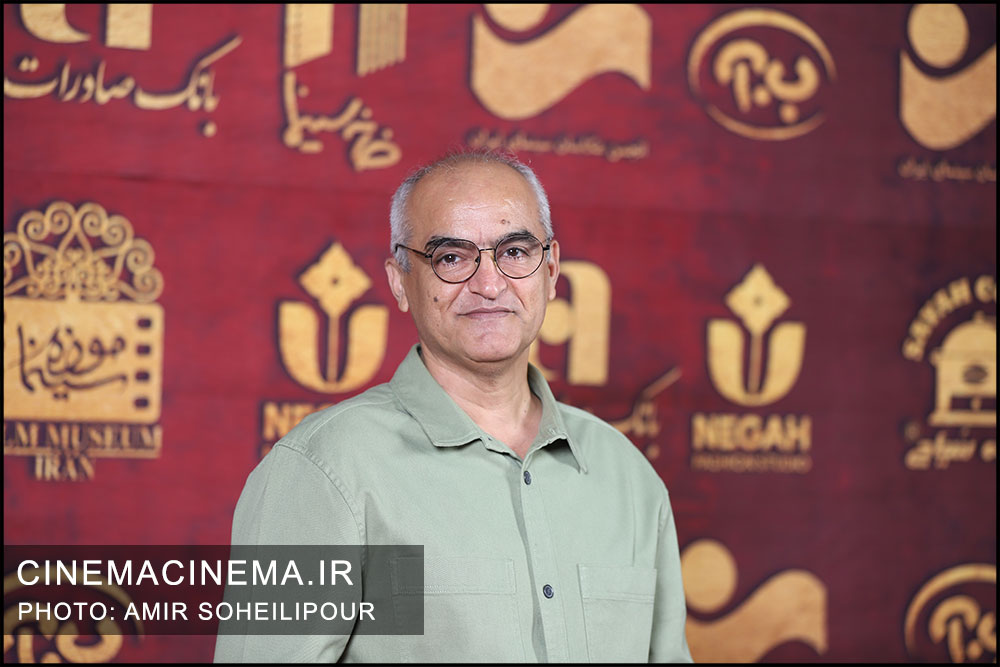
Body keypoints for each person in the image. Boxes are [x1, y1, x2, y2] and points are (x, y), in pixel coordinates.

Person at [215, 150, 691, 662]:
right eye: (451, 258)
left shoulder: (628, 477)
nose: (489, 284)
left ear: (551, 271)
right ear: (400, 282)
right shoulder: (322, 471)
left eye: (514, 252)